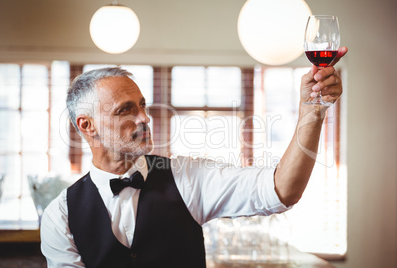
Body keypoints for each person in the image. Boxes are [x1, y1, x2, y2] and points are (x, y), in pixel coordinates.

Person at [40, 47, 348, 268]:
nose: (145, 117)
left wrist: (312, 110)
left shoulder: (188, 177)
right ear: (86, 125)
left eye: (143, 105)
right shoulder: (60, 216)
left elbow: (282, 189)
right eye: (126, 110)